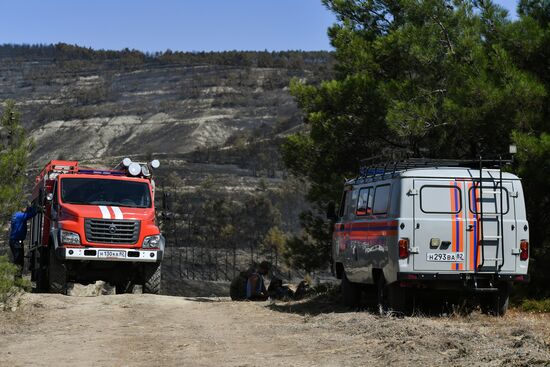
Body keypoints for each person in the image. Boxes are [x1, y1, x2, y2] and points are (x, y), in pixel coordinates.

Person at [9, 205, 37, 272]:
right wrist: (31, 208)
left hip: (14, 241)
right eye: (25, 207)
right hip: (16, 242)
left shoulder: (16, 214)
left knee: (18, 261)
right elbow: (34, 213)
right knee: (19, 262)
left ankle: (17, 279)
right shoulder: (21, 216)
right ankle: (17, 280)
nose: (26, 209)